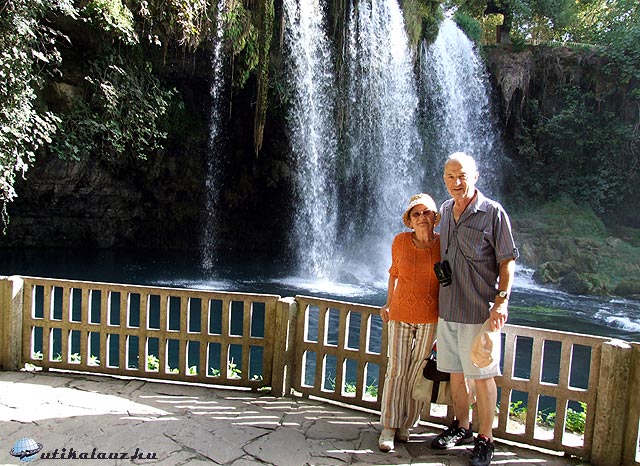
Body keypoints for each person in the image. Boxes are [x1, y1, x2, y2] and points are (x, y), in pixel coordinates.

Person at [430, 152, 518, 466]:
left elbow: (507, 261)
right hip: (448, 309)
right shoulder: (443, 210)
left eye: (462, 176)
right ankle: (462, 426)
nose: (457, 182)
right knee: (455, 374)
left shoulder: (493, 212)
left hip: (480, 312)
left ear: (475, 176)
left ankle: (486, 438)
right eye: (450, 176)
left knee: (482, 376)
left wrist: (502, 301)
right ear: (444, 179)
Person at [378, 193, 442, 452]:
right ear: (409, 220)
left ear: (435, 217)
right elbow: (394, 274)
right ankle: (389, 426)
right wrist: (388, 303)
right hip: (400, 313)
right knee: (396, 370)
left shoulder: (443, 244)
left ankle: (407, 423)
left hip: (430, 316)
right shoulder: (400, 241)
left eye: (426, 212)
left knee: (418, 372)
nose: (421, 217)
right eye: (416, 214)